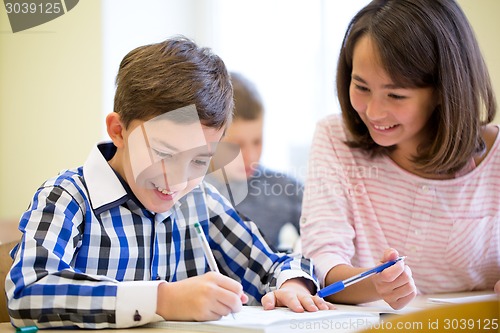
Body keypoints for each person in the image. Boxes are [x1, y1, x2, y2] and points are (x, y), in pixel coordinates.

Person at [6, 37, 333, 330]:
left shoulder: (198, 200)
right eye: (163, 153)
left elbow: (273, 265)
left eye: (199, 161)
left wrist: (293, 286)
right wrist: (161, 300)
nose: (176, 181)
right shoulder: (67, 198)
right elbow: (27, 293)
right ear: (118, 131)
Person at [301, 0, 500, 311]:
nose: (373, 112)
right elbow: (321, 262)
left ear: (442, 90)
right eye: (361, 86)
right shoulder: (334, 137)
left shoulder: (495, 159)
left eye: (395, 95)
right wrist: (375, 284)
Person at [206, 72, 303, 251]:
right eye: (237, 145)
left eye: (257, 142)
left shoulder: (282, 188)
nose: (251, 157)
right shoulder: (186, 191)